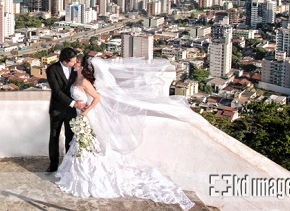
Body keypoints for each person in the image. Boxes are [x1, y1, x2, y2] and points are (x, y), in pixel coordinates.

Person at [55, 56, 195, 210]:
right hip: (79, 114)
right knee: (82, 145)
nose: (76, 63)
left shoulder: (84, 82)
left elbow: (96, 98)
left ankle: (87, 179)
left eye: (78, 62)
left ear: (83, 67)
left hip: (86, 117)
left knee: (87, 146)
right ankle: (79, 177)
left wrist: (86, 112)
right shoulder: (77, 78)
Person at [45, 47, 86, 173]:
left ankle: (68, 165)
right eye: (73, 61)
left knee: (70, 137)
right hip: (57, 109)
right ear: (64, 61)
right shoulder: (52, 69)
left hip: (71, 112)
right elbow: (56, 91)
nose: (75, 63)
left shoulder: (75, 69)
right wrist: (74, 104)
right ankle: (53, 165)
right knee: (54, 136)